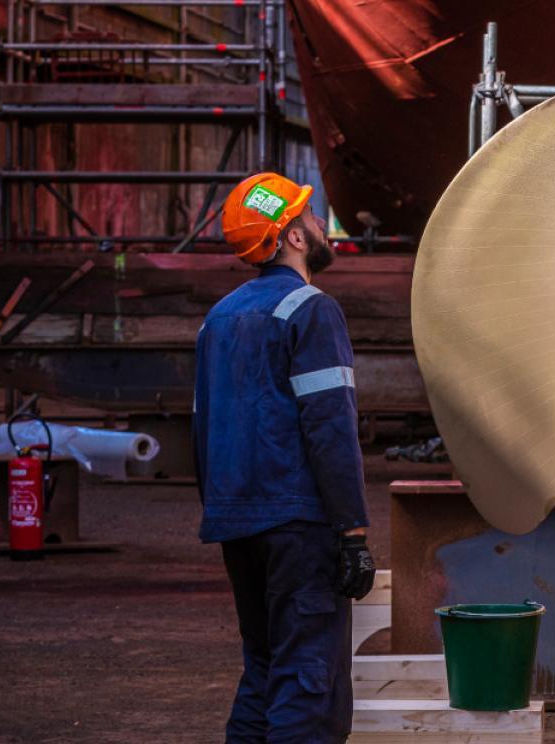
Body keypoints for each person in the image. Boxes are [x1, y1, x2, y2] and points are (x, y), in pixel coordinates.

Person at [196, 172, 376, 743]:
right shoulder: (311, 310)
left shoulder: (217, 318)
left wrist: (224, 510)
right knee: (308, 685)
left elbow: (203, 427)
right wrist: (352, 532)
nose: (321, 225)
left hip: (236, 520)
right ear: (293, 237)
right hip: (299, 525)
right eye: (311, 216)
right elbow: (330, 428)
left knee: (264, 672)